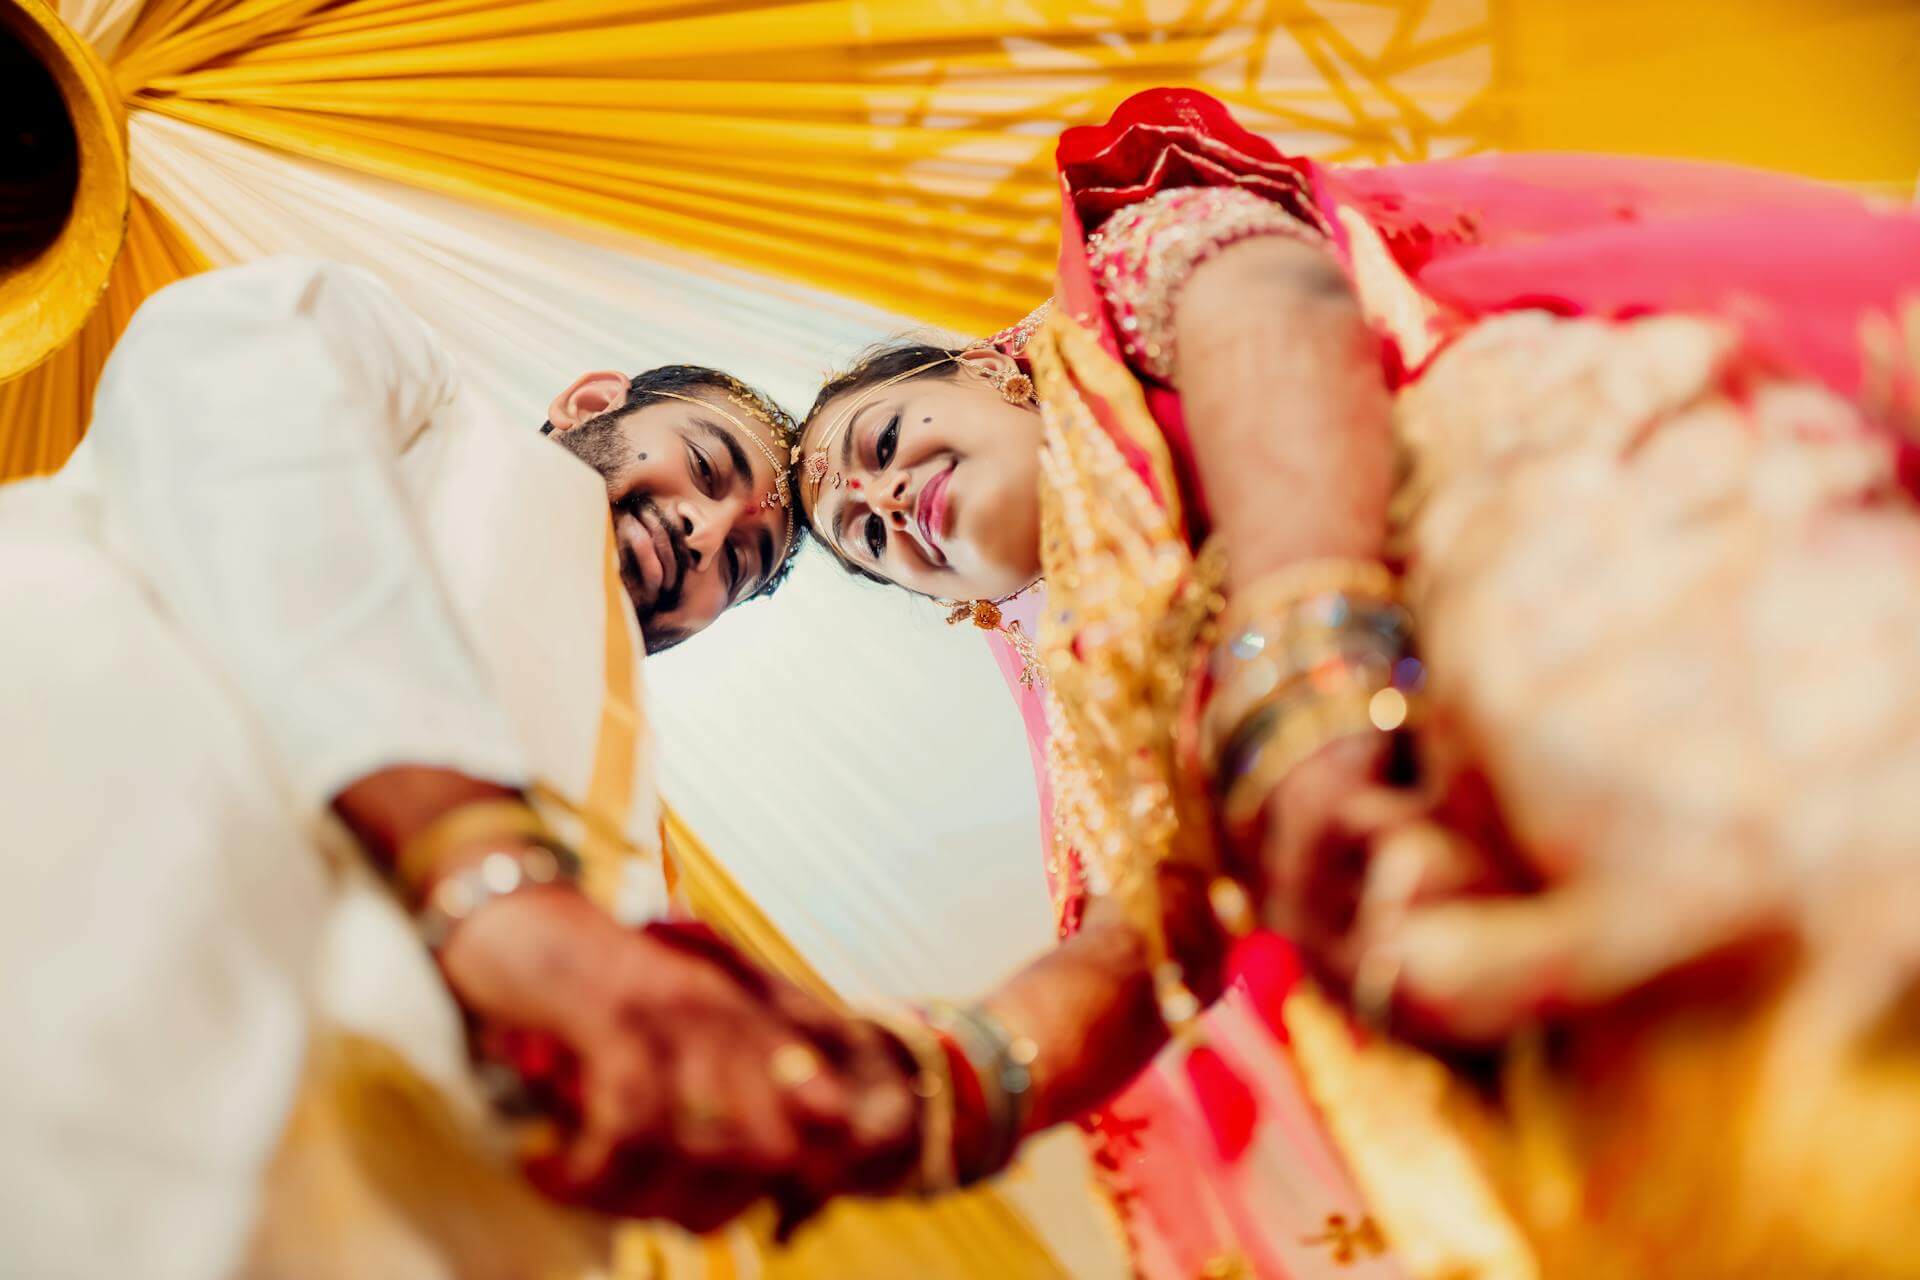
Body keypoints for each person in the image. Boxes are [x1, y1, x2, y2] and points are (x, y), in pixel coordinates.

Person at [791, 88, 1920, 1277]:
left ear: (991, 371)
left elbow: (1274, 302)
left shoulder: (1114, 286)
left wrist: (1307, 686)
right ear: (958, 604)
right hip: (1444, 868)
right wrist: (944, 1082)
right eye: (869, 537)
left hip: (1528, 524)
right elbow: (1145, 942)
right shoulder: (1098, 719)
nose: (886, 498)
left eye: (881, 442)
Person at [0, 256, 924, 1279]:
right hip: (86, 836)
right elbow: (221, 371)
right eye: (706, 466)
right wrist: (475, 856)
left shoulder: (638, 835)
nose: (704, 533)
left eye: (739, 565)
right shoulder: (431, 395)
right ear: (590, 402)